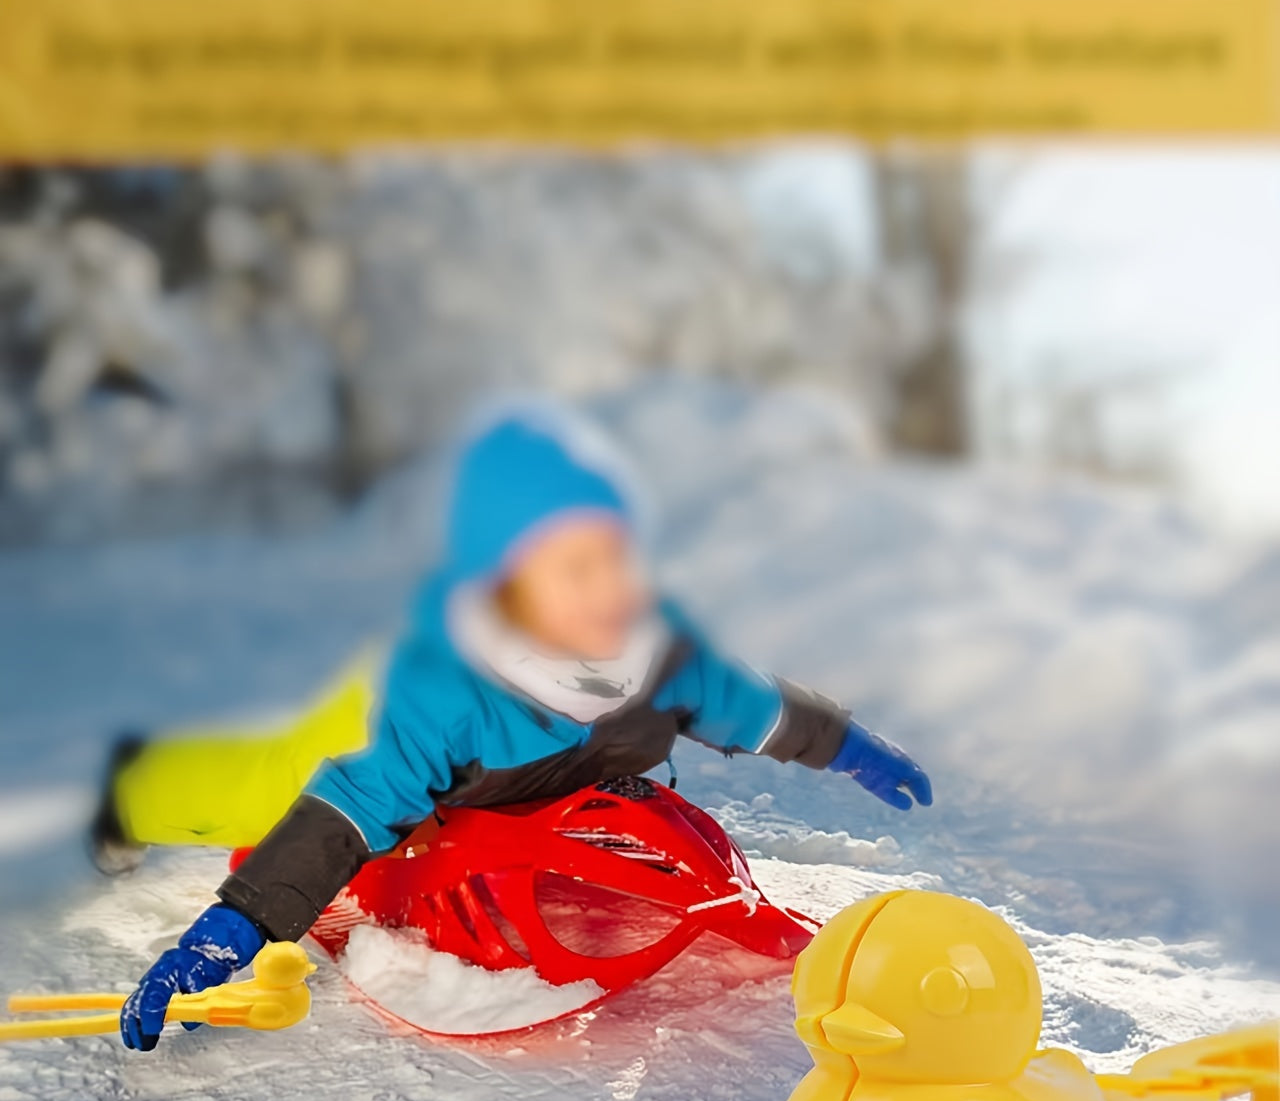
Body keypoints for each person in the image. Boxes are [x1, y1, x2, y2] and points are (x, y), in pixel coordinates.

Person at [105, 400, 932, 1051]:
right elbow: (349, 810)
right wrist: (232, 929)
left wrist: (849, 746)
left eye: (616, 556)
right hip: (365, 725)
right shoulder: (447, 689)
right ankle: (121, 788)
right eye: (572, 567)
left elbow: (752, 705)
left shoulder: (657, 644)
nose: (606, 587)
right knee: (260, 790)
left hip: (500, 776)